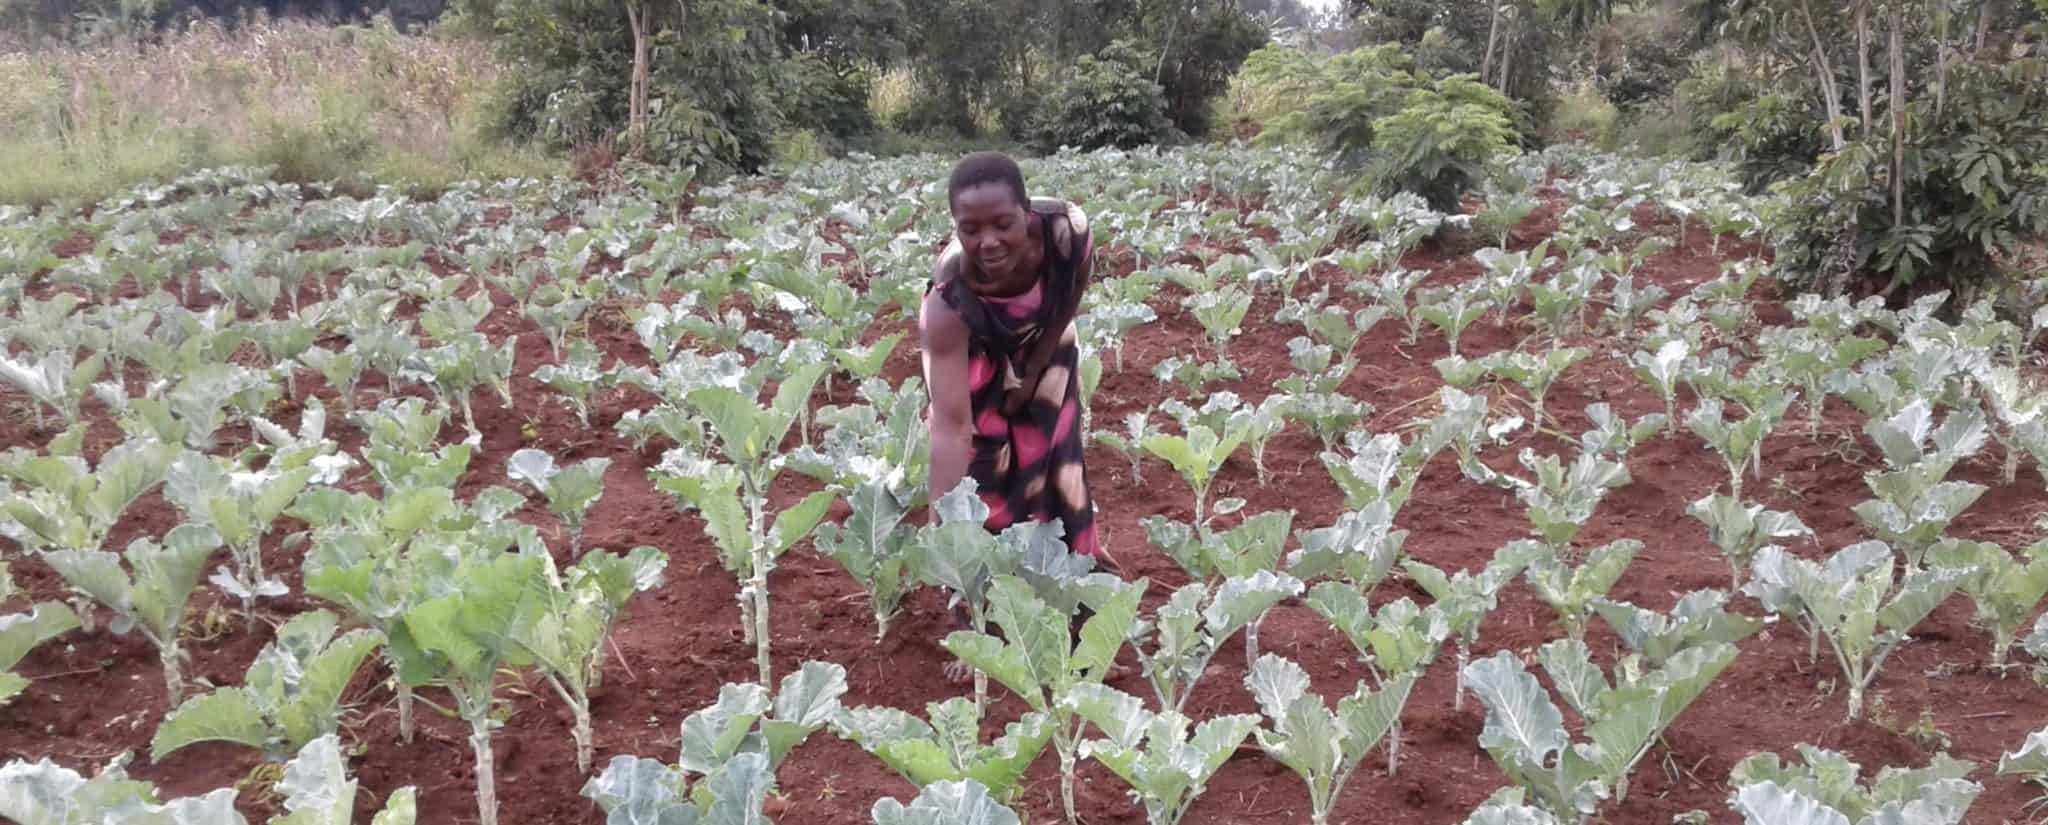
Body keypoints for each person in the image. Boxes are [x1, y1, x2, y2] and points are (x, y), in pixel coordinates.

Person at [920, 151, 1108, 565]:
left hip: (1046, 338)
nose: (988, 242)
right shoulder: (950, 296)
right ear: (955, 230)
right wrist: (942, 538)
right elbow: (952, 429)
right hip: (976, 352)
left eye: (1003, 224)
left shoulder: (1067, 232)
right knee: (983, 465)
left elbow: (1069, 294)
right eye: (970, 230)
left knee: (1055, 450)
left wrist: (1037, 364)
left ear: (1027, 212)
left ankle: (1063, 560)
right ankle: (984, 571)